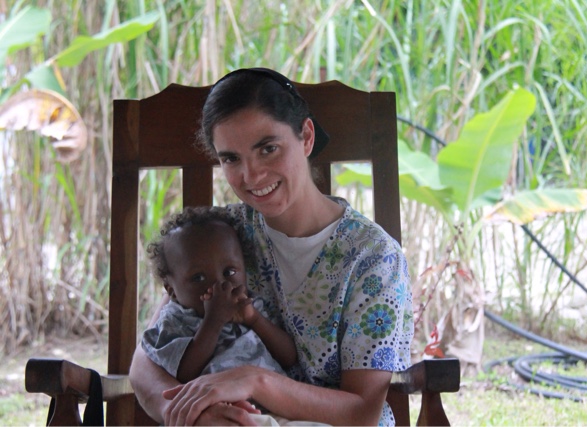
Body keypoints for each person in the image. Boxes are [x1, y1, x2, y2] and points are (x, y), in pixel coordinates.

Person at [129, 68, 414, 426]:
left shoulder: (373, 259)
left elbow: (362, 413)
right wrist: (193, 414)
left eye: (268, 149)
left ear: (306, 137)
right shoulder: (220, 236)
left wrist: (255, 380)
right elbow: (144, 365)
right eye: (231, 158)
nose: (251, 176)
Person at [141, 206, 296, 385]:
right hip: (219, 401)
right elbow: (184, 373)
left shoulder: (250, 306)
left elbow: (289, 358)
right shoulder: (174, 322)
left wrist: (254, 319)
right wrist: (214, 321)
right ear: (171, 290)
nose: (220, 286)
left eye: (229, 272)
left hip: (271, 398)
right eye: (198, 278)